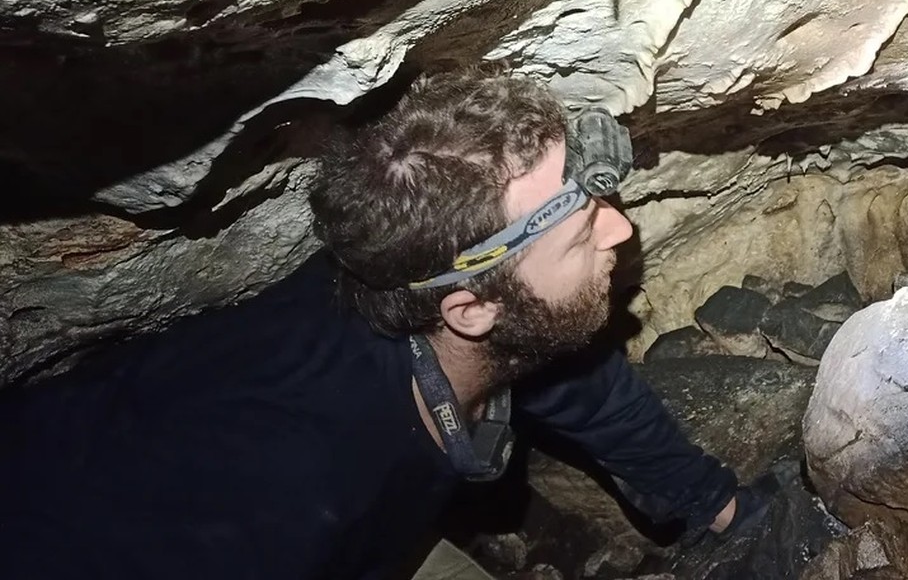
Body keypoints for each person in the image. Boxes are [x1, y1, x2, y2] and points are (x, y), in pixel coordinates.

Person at [0, 64, 752, 579]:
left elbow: (563, 366)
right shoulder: (290, 489)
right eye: (585, 234)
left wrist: (714, 502)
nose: (621, 232)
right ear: (471, 309)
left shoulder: (435, 295)